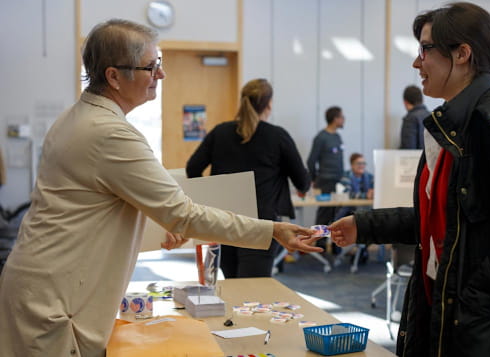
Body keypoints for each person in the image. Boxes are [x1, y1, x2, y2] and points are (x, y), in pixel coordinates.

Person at [0, 19, 321, 357]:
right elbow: (183, 213)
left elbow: (95, 203)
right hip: (54, 301)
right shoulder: (111, 134)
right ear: (113, 76)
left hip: (38, 284)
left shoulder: (76, 118)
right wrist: (272, 230)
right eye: (151, 67)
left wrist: (166, 221)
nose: (161, 75)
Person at [329, 3, 490, 356]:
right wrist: (364, 225)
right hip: (455, 314)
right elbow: (446, 220)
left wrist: (478, 297)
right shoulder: (453, 128)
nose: (417, 63)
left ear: (462, 54)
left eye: (425, 50)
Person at [186, 78, 311, 278]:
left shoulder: (220, 132)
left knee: (233, 282)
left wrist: (209, 199)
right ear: (269, 104)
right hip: (261, 225)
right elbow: (302, 182)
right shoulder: (277, 136)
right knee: (254, 289)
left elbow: (192, 168)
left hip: (224, 221)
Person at [307, 106, 345, 227]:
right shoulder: (321, 138)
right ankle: (319, 243)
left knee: (337, 215)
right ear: (335, 119)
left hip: (339, 182)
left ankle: (334, 245)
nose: (344, 119)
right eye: (342, 117)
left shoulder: (337, 137)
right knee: (324, 214)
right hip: (325, 182)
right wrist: (314, 179)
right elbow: (310, 161)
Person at [399, 85, 429, 149]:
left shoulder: (410, 119)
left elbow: (408, 149)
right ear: (422, 100)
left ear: (405, 102)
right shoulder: (432, 115)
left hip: (416, 158)